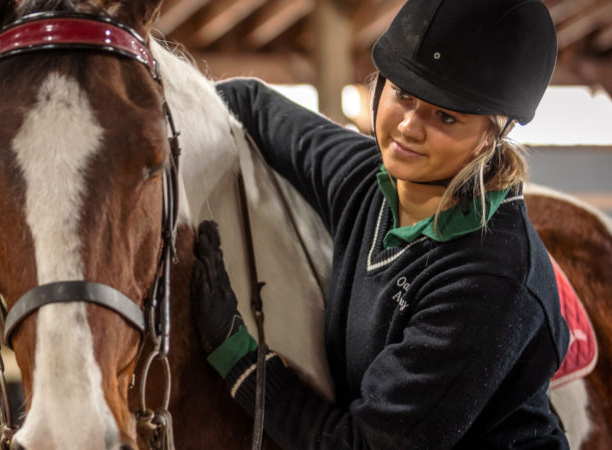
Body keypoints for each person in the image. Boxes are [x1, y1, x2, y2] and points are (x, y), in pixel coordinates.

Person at [189, 0, 570, 448]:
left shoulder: (490, 280)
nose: (409, 126)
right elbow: (249, 100)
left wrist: (236, 354)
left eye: (446, 116)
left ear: (493, 133)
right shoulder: (365, 177)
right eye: (403, 94)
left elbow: (361, 445)